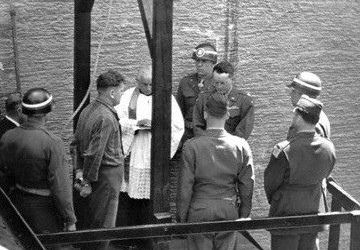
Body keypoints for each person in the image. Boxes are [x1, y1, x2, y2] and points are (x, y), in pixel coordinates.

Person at [177, 93, 255, 250]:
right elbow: (247, 185)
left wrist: (182, 218)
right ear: (227, 114)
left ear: (205, 114)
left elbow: (185, 187)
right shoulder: (241, 145)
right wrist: (244, 215)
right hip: (228, 209)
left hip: (199, 209)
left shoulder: (192, 146)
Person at [114, 65, 184, 230]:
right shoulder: (127, 96)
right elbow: (117, 120)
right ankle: (127, 237)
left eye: (151, 84)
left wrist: (157, 125)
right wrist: (135, 125)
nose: (147, 88)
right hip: (132, 151)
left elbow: (177, 127)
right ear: (136, 81)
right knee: (127, 195)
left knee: (149, 198)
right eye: (144, 84)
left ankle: (148, 237)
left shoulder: (166, 98)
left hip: (153, 153)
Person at [0, 88, 76, 237]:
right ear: (47, 111)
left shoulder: (8, 136)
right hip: (44, 211)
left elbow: (4, 173)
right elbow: (61, 187)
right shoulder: (53, 142)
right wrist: (70, 219)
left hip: (16, 205)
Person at [264, 95, 336, 250]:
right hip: (313, 211)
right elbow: (326, 173)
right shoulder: (329, 148)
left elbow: (270, 183)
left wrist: (277, 199)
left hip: (285, 213)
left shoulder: (284, 150)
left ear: (298, 116)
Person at [72, 70, 124, 250]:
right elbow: (95, 154)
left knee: (93, 221)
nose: (121, 95)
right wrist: (86, 180)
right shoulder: (106, 117)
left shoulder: (87, 110)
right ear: (112, 92)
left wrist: (79, 172)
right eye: (121, 91)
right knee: (105, 226)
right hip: (106, 178)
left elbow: (75, 144)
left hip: (95, 176)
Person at [193, 60, 254, 140]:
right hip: (207, 146)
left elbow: (244, 129)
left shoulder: (244, 100)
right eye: (215, 82)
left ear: (232, 79)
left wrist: (227, 144)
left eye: (222, 83)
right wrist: (208, 143)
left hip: (231, 147)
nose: (218, 86)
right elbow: (197, 125)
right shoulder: (203, 98)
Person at [176, 42, 218, 143]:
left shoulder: (219, 83)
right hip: (188, 135)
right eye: (197, 61)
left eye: (204, 61)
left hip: (211, 136)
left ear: (213, 63)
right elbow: (178, 112)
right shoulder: (186, 82)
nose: (199, 64)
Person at [287, 71, 330, 139]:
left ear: (303, 95)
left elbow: (309, 148)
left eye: (293, 91)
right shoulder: (315, 116)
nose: (290, 94)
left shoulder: (310, 122)